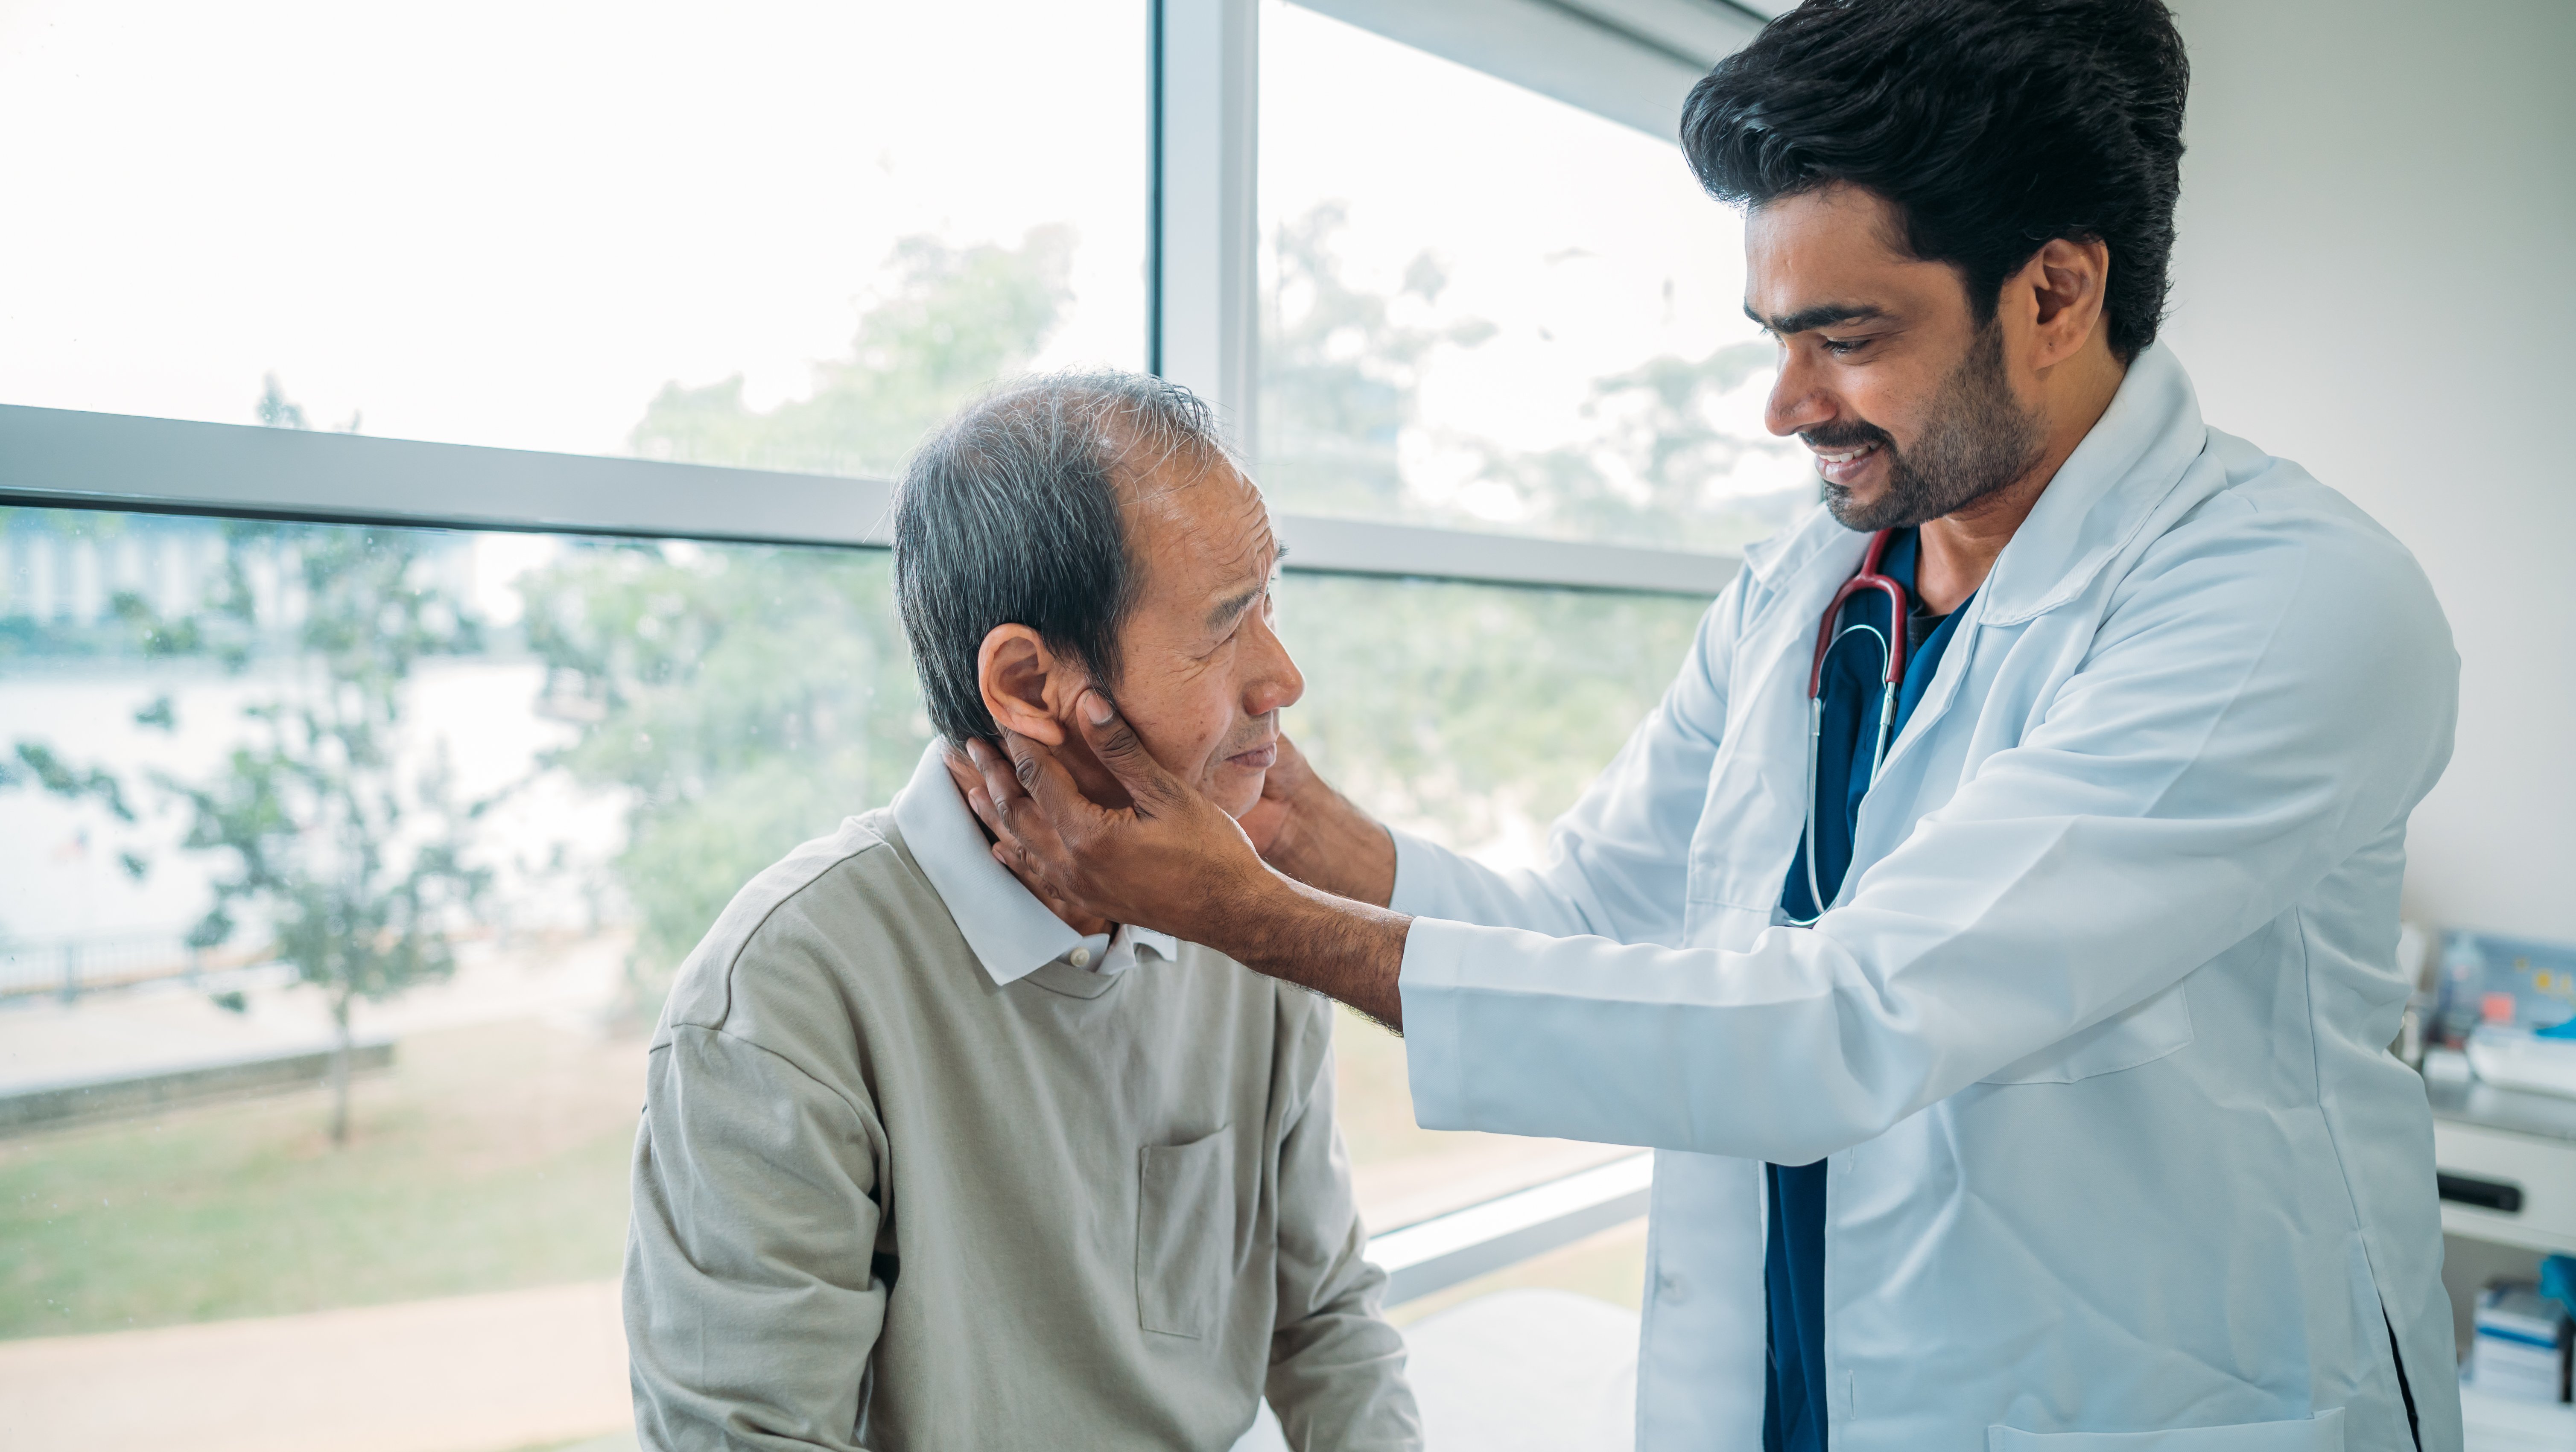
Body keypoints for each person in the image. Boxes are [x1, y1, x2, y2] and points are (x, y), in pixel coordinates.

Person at [948, 2, 2463, 1448]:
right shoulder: (1798, 594)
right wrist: (1288, 828)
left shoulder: (2287, 609)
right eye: (1772, 336)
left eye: (1845, 336)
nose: (1783, 403)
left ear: (2055, 293)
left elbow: (1838, 1021)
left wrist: (1259, 918)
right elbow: (1592, 925)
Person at [622, 372, 1421, 1452]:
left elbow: (1326, 1325)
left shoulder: (1253, 922)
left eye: (1269, 603)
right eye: (1225, 627)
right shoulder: (781, 1000)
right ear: (1031, 684)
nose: (1283, 677)